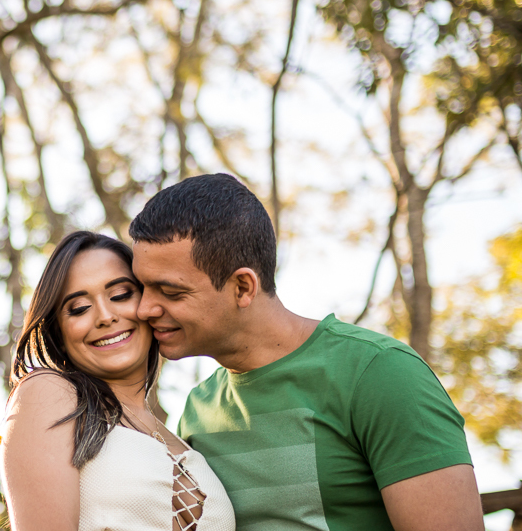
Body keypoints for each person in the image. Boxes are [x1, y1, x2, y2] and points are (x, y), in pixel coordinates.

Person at [129, 173, 485, 531]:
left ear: (242, 287)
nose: (144, 309)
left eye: (170, 292)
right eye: (142, 287)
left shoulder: (379, 373)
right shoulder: (198, 410)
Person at [0, 231, 236, 531]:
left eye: (121, 295)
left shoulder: (183, 440)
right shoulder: (48, 392)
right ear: (59, 333)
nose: (105, 316)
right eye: (79, 308)